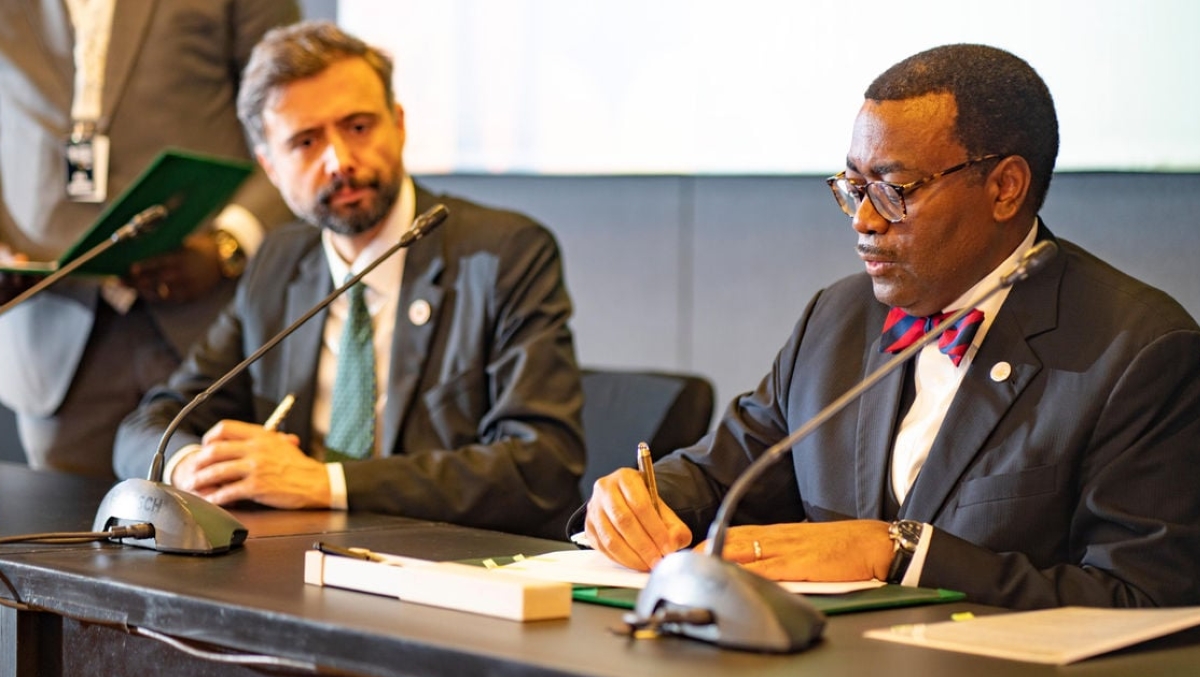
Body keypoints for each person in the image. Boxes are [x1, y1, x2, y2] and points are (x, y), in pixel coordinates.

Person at [583, 44, 1200, 609]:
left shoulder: (1139, 350)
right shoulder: (837, 318)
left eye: (895, 188)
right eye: (855, 186)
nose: (864, 220)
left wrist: (899, 552)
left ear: (1005, 188)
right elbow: (728, 473)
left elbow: (1144, 599)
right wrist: (642, 500)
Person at [113, 21, 585, 540]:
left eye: (358, 127)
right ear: (270, 167)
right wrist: (189, 467)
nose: (339, 161)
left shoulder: (504, 255)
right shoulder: (279, 263)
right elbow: (149, 425)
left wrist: (326, 483)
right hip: (294, 558)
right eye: (306, 142)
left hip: (451, 558)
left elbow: (542, 465)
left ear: (399, 125)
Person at [0, 1, 298, 477]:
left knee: (210, 509)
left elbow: (296, 108)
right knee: (60, 523)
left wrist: (229, 242)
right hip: (51, 329)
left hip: (204, 323)